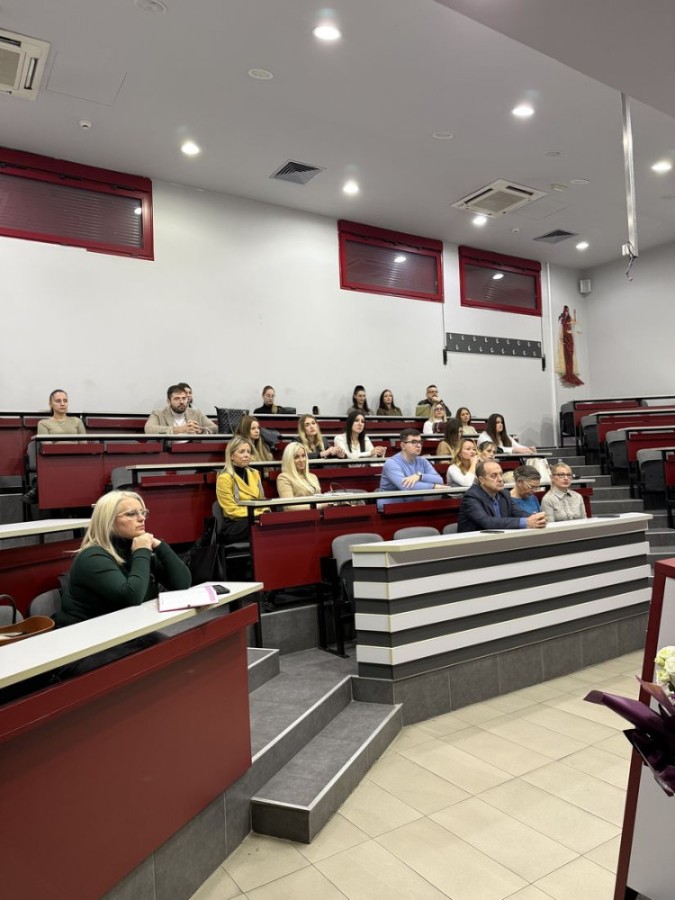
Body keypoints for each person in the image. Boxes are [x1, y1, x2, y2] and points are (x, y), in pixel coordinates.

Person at [56, 490, 191, 627]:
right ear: (109, 521)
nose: (142, 518)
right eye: (131, 514)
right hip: (88, 633)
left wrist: (160, 546)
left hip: (127, 627)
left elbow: (182, 583)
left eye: (143, 512)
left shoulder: (135, 546)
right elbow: (132, 597)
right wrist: (142, 551)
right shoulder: (92, 557)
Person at [457, 460, 547, 532]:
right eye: (494, 476)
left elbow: (518, 513)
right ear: (481, 480)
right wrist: (527, 522)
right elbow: (487, 522)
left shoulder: (504, 494)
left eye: (500, 474)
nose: (500, 479)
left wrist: (536, 518)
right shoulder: (471, 496)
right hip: (473, 544)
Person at [216, 436, 269, 541]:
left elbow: (262, 500)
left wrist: (265, 511)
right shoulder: (224, 478)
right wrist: (258, 514)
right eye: (242, 452)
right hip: (234, 524)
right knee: (261, 523)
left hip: (255, 517)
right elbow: (231, 511)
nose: (246, 455)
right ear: (231, 456)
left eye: (248, 452)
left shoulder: (255, 473)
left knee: (273, 521)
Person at [378, 428, 444, 504]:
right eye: (413, 442)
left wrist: (420, 476)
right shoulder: (391, 463)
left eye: (420, 442)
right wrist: (433, 486)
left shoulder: (423, 461)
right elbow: (406, 487)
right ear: (403, 446)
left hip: (414, 503)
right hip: (390, 506)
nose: (418, 445)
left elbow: (439, 480)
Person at [145, 384, 217, 435]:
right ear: (169, 402)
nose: (181, 402)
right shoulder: (158, 414)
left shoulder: (196, 413)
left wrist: (200, 430)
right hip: (170, 449)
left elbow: (215, 428)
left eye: (184, 398)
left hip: (192, 448)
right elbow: (149, 429)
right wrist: (178, 430)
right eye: (177, 399)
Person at [276, 442, 321, 509]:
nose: (301, 460)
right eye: (296, 457)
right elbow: (289, 507)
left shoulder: (313, 477)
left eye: (303, 456)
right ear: (289, 459)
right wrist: (318, 506)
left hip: (318, 513)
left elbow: (320, 499)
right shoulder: (283, 478)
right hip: (299, 515)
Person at [556, 305, 584, 387]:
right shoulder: (563, 320)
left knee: (570, 355)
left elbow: (574, 322)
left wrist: (575, 314)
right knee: (566, 356)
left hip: (569, 338)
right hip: (565, 338)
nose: (567, 312)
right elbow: (561, 329)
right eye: (566, 310)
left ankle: (570, 373)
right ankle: (568, 373)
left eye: (568, 310)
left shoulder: (569, 319)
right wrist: (561, 338)